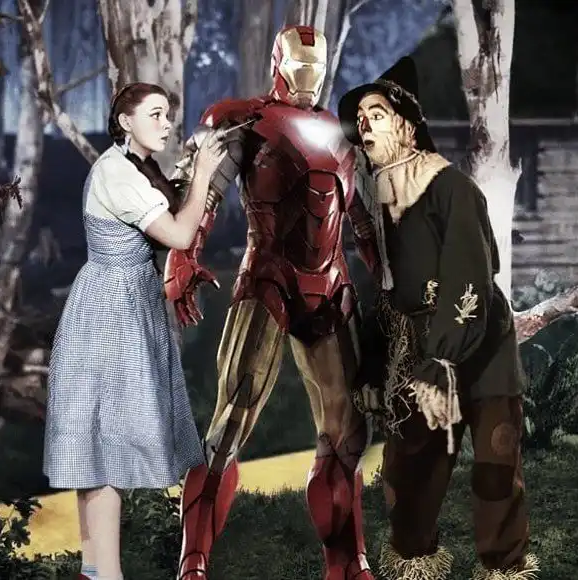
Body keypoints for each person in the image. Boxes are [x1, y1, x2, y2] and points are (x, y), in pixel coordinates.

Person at [163, 25, 387, 580]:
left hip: (331, 287)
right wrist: (183, 254)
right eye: (299, 66)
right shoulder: (242, 118)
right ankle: (193, 561)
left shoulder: (342, 134)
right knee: (232, 418)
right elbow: (202, 191)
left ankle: (347, 561)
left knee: (347, 435)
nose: (308, 77)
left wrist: (393, 279)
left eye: (317, 67)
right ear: (278, 64)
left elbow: (363, 223)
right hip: (268, 277)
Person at [337, 57, 540, 580]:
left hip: (479, 344)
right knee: (408, 469)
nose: (364, 124)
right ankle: (415, 559)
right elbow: (388, 289)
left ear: (407, 126)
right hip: (417, 344)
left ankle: (504, 566)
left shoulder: (451, 188)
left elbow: (469, 278)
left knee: (495, 465)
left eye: (376, 114)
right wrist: (374, 361)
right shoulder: (381, 200)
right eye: (360, 118)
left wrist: (439, 361)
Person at [43, 82, 226, 580]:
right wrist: (204, 175)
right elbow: (180, 234)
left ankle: (95, 571)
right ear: (126, 122)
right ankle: (105, 574)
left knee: (104, 450)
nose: (166, 124)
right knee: (104, 452)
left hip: (127, 308)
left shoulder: (136, 168)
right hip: (109, 315)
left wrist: (190, 174)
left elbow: (171, 213)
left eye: (168, 114)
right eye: (155, 115)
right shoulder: (116, 173)